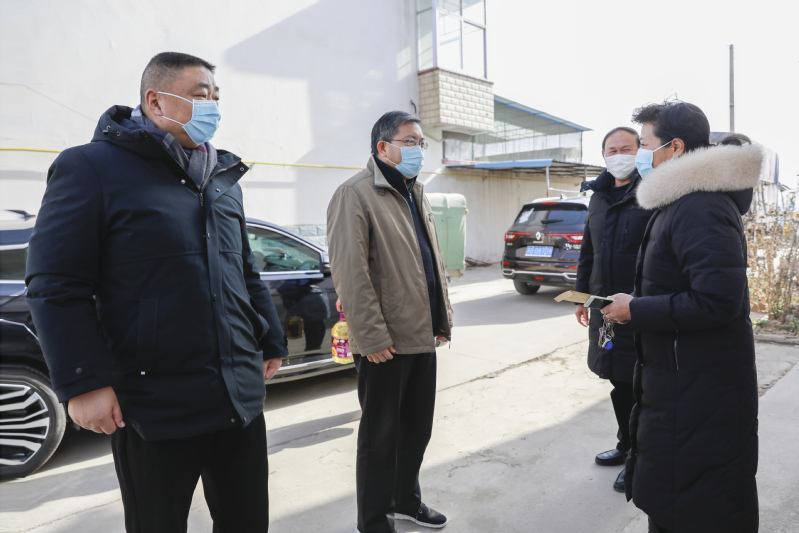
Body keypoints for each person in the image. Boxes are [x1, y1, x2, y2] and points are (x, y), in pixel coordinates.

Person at [25, 52, 287, 533]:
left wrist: (269, 338)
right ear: (155, 100)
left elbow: (243, 266)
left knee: (248, 521)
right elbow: (56, 284)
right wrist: (83, 383)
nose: (212, 107)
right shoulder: (91, 167)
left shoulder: (221, 175)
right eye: (200, 96)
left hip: (237, 394)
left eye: (216, 97)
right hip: (153, 402)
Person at [601, 101, 761, 532]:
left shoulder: (700, 207)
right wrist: (636, 301)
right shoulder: (680, 202)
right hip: (681, 381)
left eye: (645, 144)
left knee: (700, 506)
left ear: (675, 147)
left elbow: (717, 301)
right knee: (677, 499)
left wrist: (636, 309)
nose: (640, 155)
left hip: (700, 390)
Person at [326, 110, 453, 533]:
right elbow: (351, 273)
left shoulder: (415, 192)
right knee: (380, 439)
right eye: (410, 141)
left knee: (416, 431)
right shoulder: (355, 194)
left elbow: (429, 262)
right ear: (383, 147)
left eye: (421, 143)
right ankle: (374, 521)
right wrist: (371, 337)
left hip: (421, 333)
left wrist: (441, 318)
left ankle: (405, 501)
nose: (419, 150)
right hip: (386, 342)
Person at [575, 127, 653, 493]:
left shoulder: (651, 191)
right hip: (603, 308)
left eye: (627, 148)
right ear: (603, 155)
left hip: (637, 308)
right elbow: (588, 251)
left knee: (640, 384)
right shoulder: (598, 196)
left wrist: (643, 303)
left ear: (640, 151)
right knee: (617, 379)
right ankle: (625, 444)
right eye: (612, 149)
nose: (619, 154)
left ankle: (640, 455)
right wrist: (581, 296)